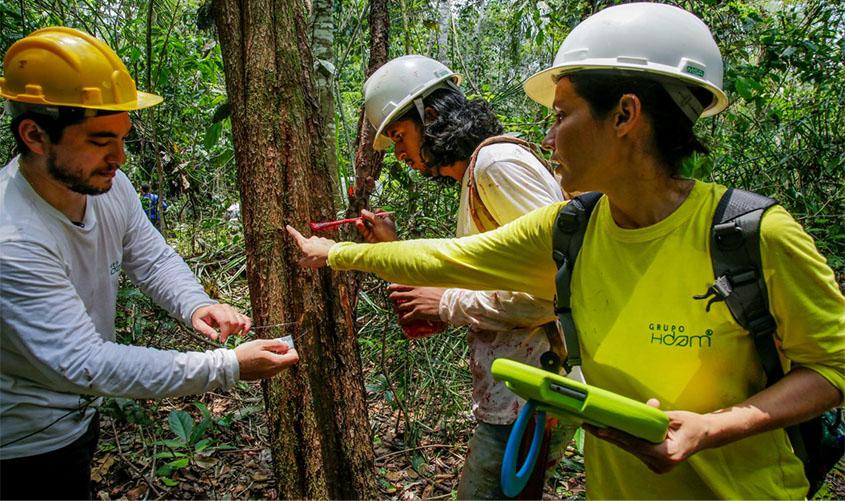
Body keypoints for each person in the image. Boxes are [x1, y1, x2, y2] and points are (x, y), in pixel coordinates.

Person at [286, 4, 844, 498]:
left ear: (625, 115)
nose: (547, 140)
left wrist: (715, 428)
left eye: (561, 116)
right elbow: (451, 260)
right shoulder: (572, 228)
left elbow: (834, 367)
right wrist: (335, 254)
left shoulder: (753, 235)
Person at [0, 27, 299, 500]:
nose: (118, 157)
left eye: (122, 138)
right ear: (35, 135)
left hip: (75, 421)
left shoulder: (106, 184)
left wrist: (196, 304)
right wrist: (227, 366)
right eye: (100, 140)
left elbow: (149, 254)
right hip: (21, 445)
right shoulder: (11, 239)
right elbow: (86, 363)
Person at [357, 54, 574, 498]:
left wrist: (447, 303)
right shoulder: (479, 174)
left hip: (537, 391)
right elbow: (487, 271)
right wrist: (390, 249)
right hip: (517, 393)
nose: (398, 154)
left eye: (400, 136)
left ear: (431, 117)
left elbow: (560, 288)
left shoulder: (496, 165)